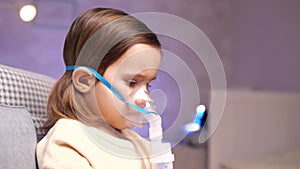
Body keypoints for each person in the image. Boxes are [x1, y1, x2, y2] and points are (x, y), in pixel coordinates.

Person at [37, 7, 162, 169]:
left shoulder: (139, 145)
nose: (145, 99)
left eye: (148, 85)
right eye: (132, 82)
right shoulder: (68, 142)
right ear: (84, 81)